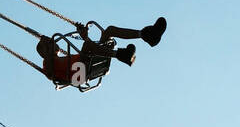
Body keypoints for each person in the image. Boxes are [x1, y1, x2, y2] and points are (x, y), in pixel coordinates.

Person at [36, 18, 166, 88]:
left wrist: (84, 36)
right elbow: (59, 73)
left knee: (109, 31)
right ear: (45, 51)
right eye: (51, 43)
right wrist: (44, 41)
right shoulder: (48, 63)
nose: (54, 42)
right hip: (79, 73)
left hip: (86, 64)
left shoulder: (62, 59)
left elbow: (84, 56)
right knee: (87, 45)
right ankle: (122, 55)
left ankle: (146, 35)